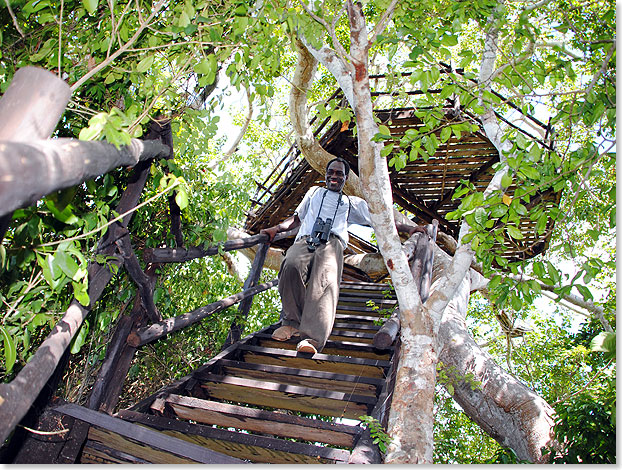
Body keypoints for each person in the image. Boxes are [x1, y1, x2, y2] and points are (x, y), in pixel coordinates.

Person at [261, 157, 424, 354]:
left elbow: (379, 222)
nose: (334, 176)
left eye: (339, 173)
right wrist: (275, 229)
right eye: (331, 172)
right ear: (326, 175)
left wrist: (409, 228)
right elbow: (297, 219)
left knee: (324, 285)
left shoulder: (351, 203)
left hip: (332, 242)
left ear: (346, 178)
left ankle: (312, 339)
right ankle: (291, 322)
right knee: (291, 266)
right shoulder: (314, 192)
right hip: (306, 238)